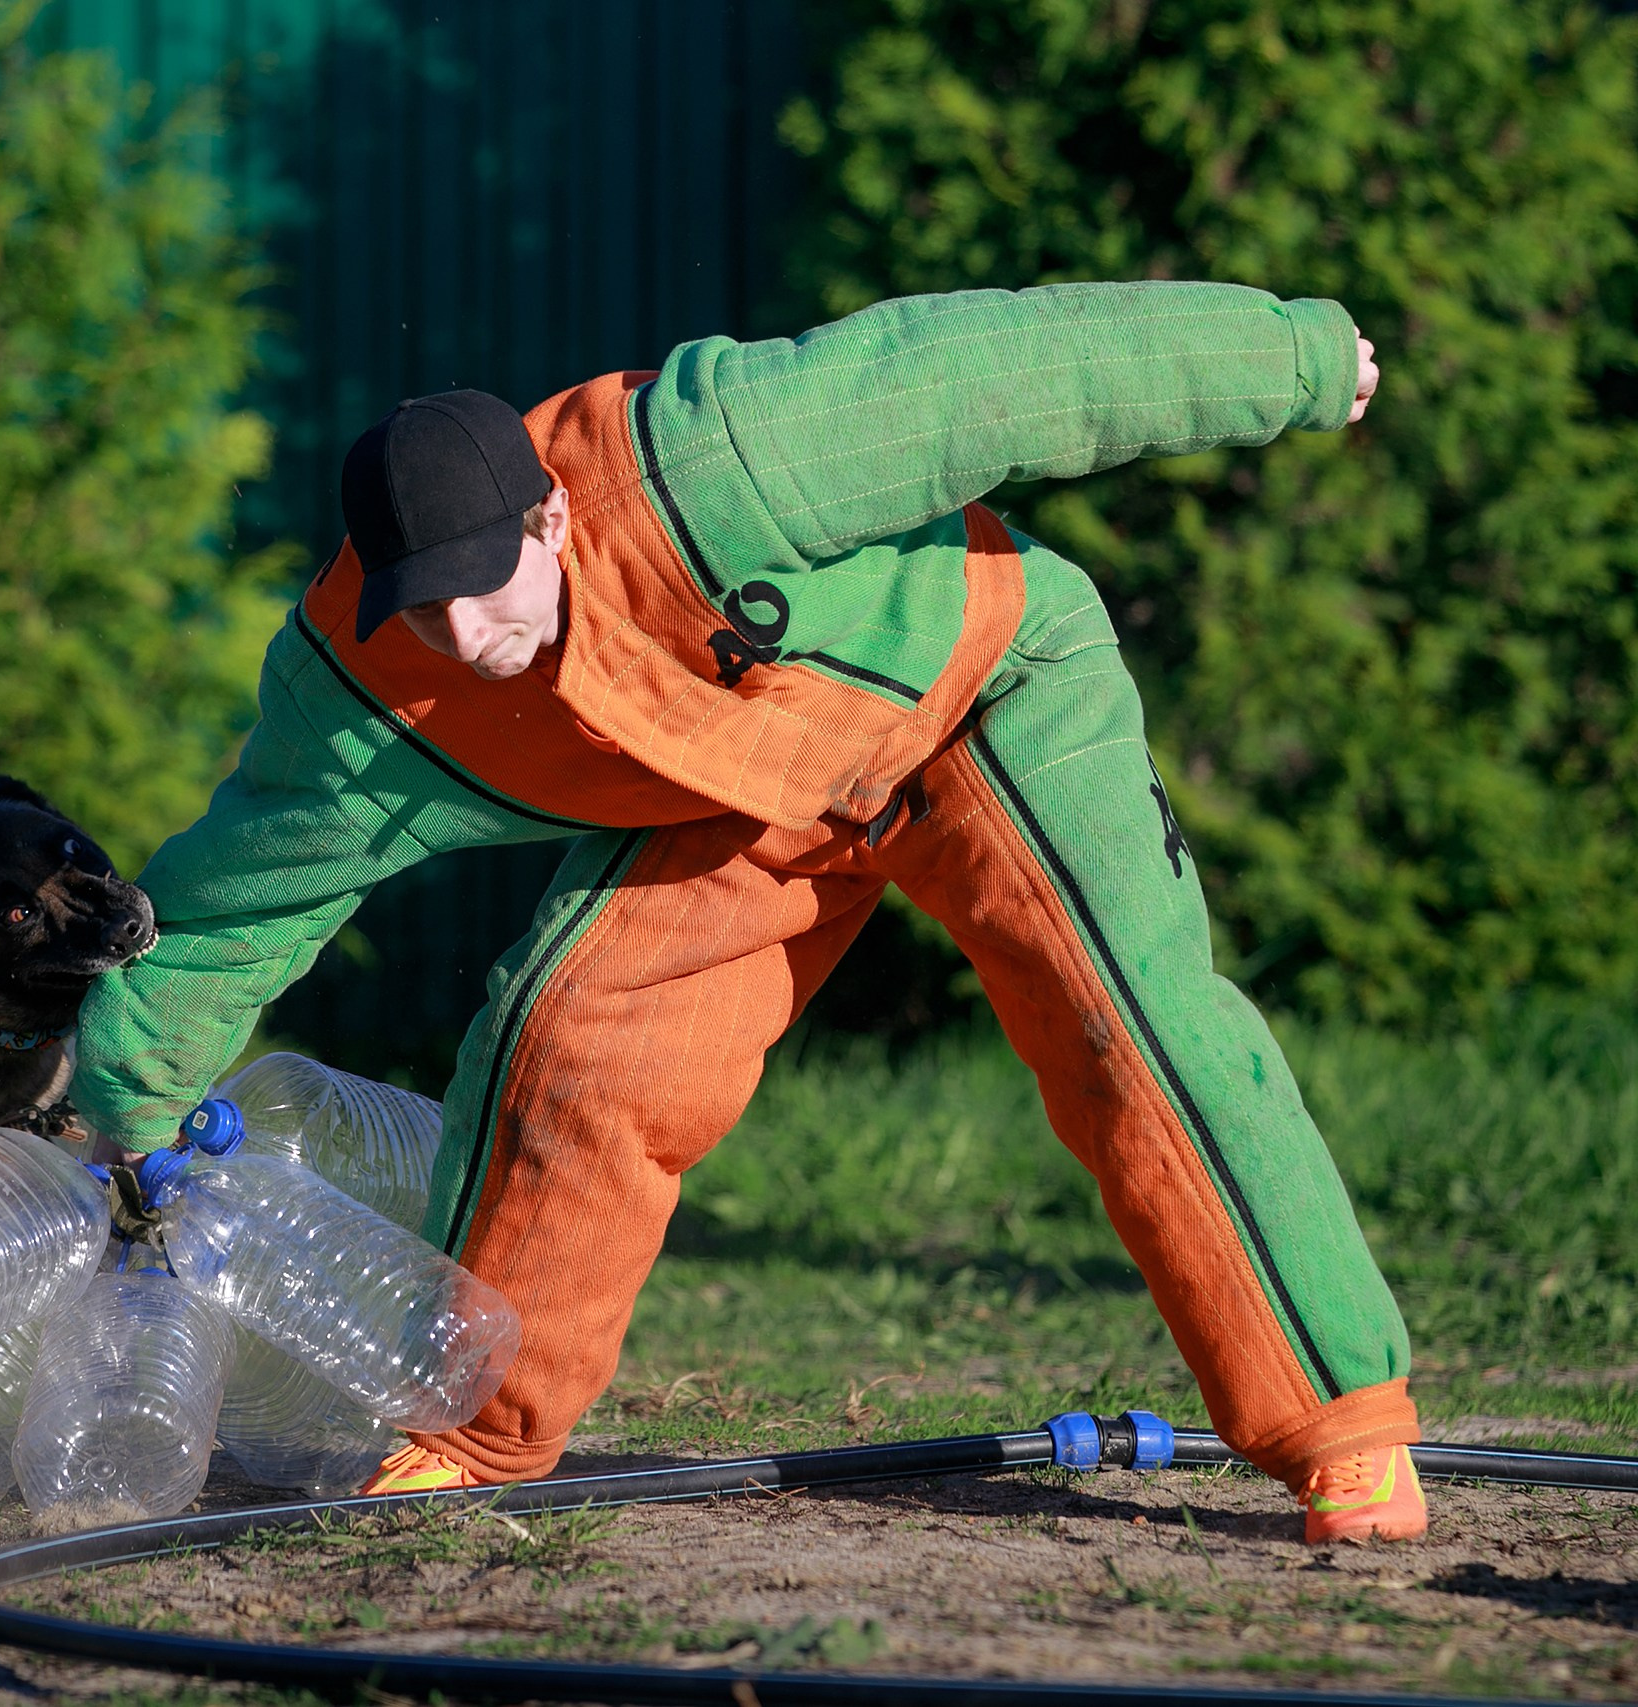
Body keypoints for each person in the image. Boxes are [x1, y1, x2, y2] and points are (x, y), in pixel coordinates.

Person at [70, 280, 1427, 1545]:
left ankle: (1339, 1421)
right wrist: (118, 1119)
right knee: (574, 1047)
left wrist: (1290, 357)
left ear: (548, 521)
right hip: (728, 798)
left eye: (484, 592)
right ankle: (475, 1436)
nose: (465, 639)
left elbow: (1002, 373)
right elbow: (234, 903)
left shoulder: (706, 462)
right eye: (422, 611)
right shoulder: (368, 697)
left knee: (1123, 1021)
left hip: (981, 687)